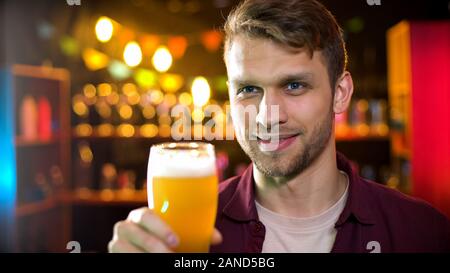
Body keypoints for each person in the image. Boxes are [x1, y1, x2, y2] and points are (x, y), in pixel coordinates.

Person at [108, 0, 450, 253]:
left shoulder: (423, 233)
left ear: (340, 94)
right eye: (248, 90)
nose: (268, 116)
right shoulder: (179, 237)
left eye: (294, 86)